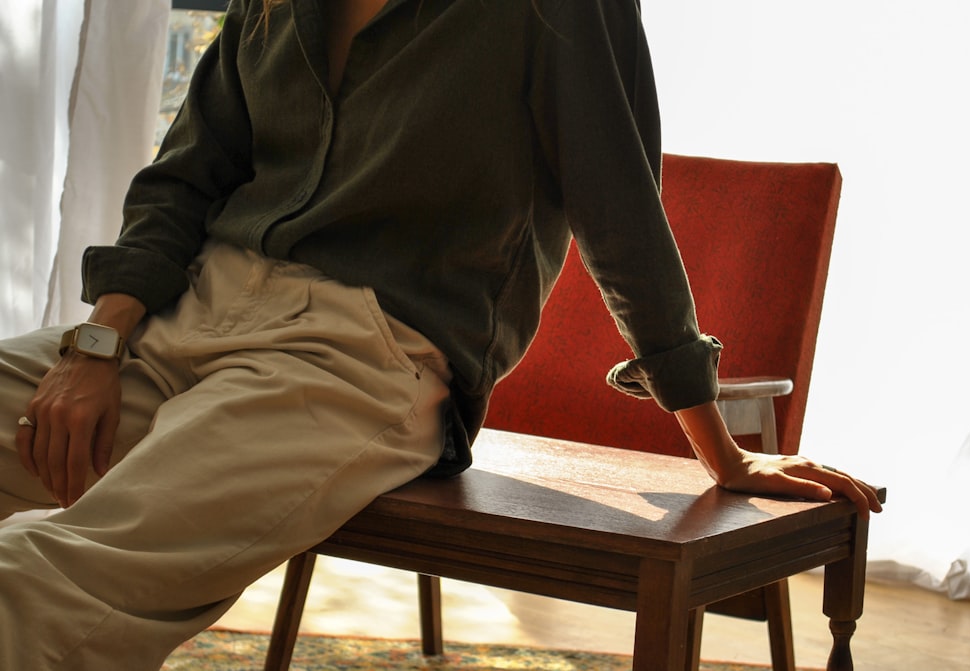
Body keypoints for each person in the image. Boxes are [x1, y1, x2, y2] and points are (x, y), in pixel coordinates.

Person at [0, 0, 882, 668]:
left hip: (359, 354)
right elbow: (183, 180)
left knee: (52, 578)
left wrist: (722, 452)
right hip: (180, 313)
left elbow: (621, 215)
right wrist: (99, 345)